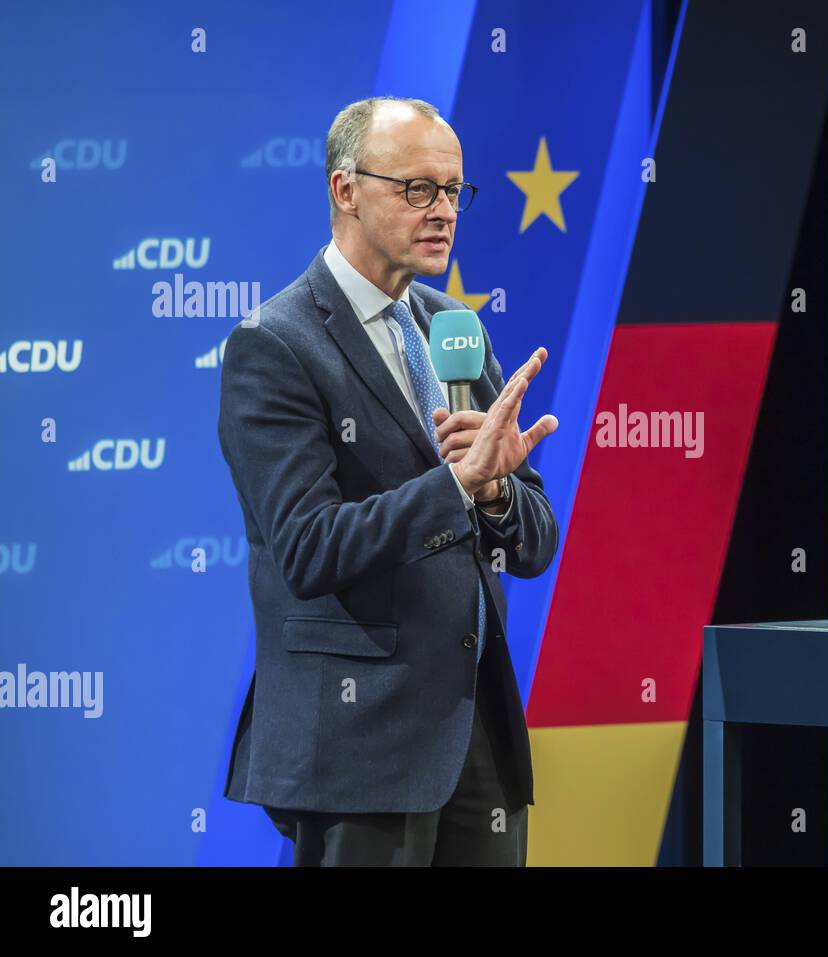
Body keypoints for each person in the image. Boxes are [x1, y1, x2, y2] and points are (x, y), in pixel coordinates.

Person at [217, 96, 559, 866]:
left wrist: (501, 492)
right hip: (357, 749)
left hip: (476, 740)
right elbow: (307, 549)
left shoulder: (451, 327)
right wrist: (455, 485)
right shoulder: (274, 346)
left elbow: (534, 543)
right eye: (417, 189)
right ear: (345, 190)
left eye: (453, 191)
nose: (443, 211)